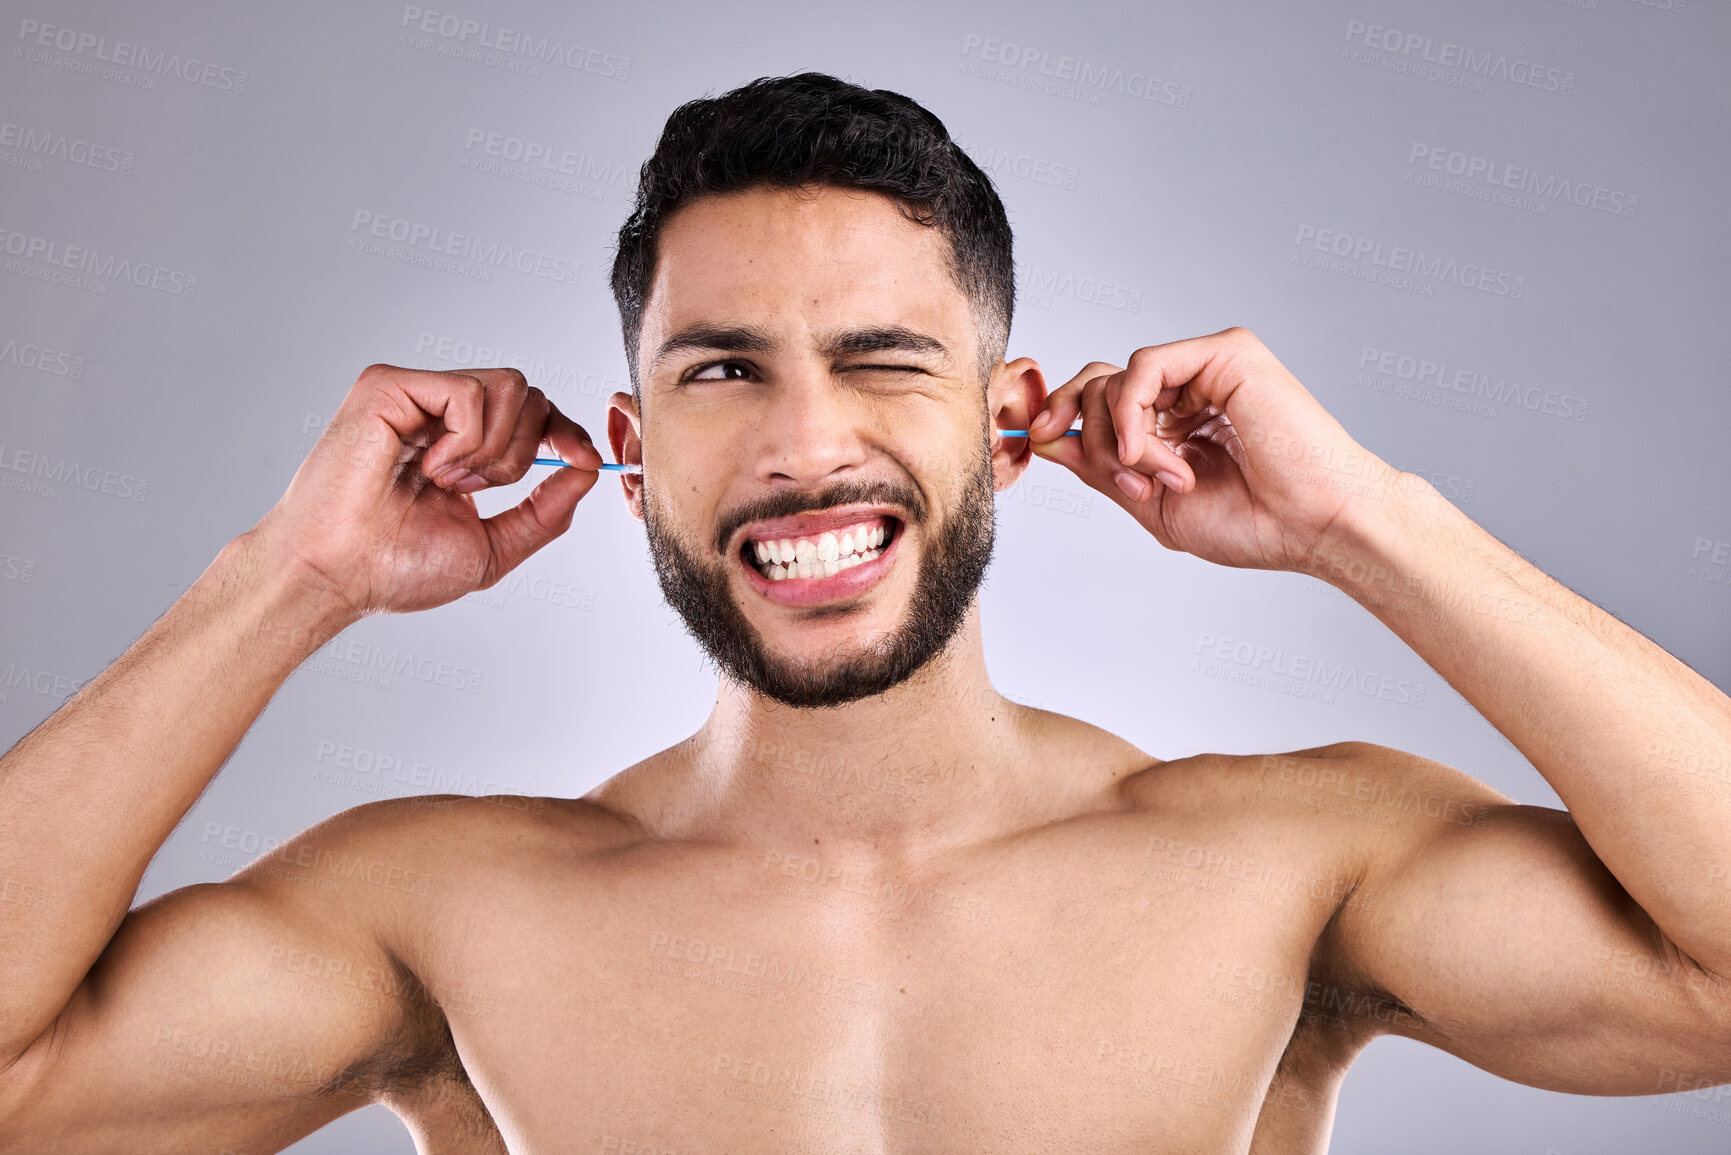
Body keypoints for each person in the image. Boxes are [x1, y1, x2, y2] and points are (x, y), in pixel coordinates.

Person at [1, 72, 1728, 1155]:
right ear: (630, 447)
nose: (806, 444)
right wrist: (286, 581)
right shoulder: (447, 907)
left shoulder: (1288, 865)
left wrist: (1369, 522)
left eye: (885, 361)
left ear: (1009, 414)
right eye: (723, 371)